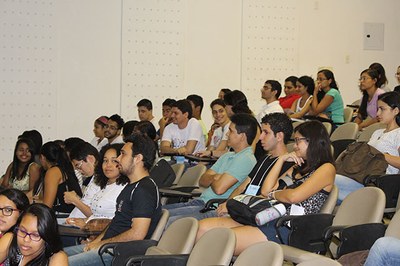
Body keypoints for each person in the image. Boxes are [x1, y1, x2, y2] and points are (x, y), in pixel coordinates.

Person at [197, 120, 335, 255]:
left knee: (219, 240)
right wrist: (281, 160)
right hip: (267, 217)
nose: (295, 146)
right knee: (202, 228)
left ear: (313, 141)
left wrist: (274, 194)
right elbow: (266, 190)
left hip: (289, 227)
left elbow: (293, 197)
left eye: (298, 140)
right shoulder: (297, 168)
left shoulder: (326, 168)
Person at [65, 133, 161, 266]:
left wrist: (101, 244)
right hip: (106, 247)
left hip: (117, 253)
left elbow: (138, 233)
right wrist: (95, 242)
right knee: (55, 256)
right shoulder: (131, 187)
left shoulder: (144, 189)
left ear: (137, 158)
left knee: (60, 263)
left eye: (123, 154)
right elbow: (115, 223)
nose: (119, 159)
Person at [190, 113, 294, 221]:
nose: (261, 137)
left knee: (183, 223)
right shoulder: (264, 159)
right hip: (236, 208)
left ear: (279, 136)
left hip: (250, 214)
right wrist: (227, 204)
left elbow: (269, 195)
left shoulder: (288, 165)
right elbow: (241, 187)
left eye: (266, 133)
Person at [163, 113, 258, 226]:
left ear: (242, 136)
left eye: (231, 131)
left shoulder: (246, 159)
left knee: (169, 222)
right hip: (201, 202)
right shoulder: (227, 156)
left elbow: (219, 189)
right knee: (159, 213)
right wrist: (217, 177)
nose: (227, 134)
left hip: (213, 208)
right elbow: (202, 180)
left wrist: (214, 178)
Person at [335, 91, 400, 202]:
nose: (378, 113)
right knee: (324, 180)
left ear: (396, 111)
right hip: (360, 176)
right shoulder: (377, 132)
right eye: (377, 109)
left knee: (328, 181)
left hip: (376, 183)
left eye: (382, 109)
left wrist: (379, 155)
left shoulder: (398, 134)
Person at [65, 144, 128, 226]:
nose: (108, 165)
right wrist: (84, 221)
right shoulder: (105, 184)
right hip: (87, 229)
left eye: (114, 161)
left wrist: (75, 201)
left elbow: (115, 222)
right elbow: (96, 215)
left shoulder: (124, 188)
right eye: (105, 161)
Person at [0, 203, 68, 265]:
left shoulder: (56, 258)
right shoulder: (10, 239)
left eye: (35, 235)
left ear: (47, 236)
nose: (26, 239)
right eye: (23, 231)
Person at [40, 141, 83, 213]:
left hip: (63, 217)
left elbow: (47, 206)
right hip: (73, 214)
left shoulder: (53, 172)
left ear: (42, 157)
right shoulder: (65, 168)